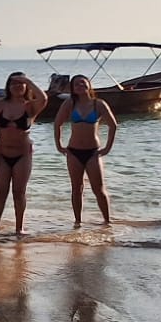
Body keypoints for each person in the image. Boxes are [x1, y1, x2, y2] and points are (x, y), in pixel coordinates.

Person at [0, 72, 47, 235]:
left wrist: (27, 80)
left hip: (23, 155)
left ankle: (19, 228)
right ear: (8, 86)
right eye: (13, 83)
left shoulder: (30, 106)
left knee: (18, 192)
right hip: (3, 154)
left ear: (27, 86)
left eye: (21, 83)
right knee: (0, 192)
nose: (17, 86)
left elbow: (44, 98)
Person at [52, 74, 117, 225]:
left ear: (89, 84)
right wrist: (59, 145)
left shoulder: (98, 104)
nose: (80, 86)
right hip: (74, 152)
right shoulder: (70, 103)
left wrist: (107, 148)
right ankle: (78, 222)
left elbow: (113, 125)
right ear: (73, 88)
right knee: (76, 188)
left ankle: (107, 222)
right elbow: (57, 124)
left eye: (82, 82)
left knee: (99, 189)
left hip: (93, 152)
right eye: (76, 84)